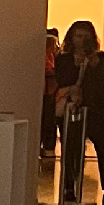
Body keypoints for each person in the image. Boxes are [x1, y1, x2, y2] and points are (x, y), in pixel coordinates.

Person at [60, 19, 104, 205]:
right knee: (72, 149)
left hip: (100, 111)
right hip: (75, 110)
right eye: (78, 36)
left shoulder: (100, 58)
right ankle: (69, 187)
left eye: (86, 37)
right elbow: (64, 81)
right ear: (71, 38)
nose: (82, 41)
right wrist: (76, 67)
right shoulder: (64, 59)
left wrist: (95, 66)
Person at [40, 27, 61, 160]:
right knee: (48, 120)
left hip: (50, 91)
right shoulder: (52, 54)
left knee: (48, 120)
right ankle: (48, 149)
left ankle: (48, 148)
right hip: (49, 90)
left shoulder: (52, 54)